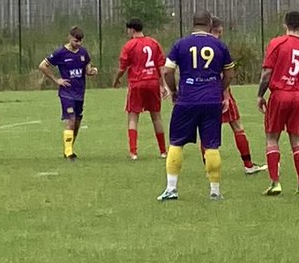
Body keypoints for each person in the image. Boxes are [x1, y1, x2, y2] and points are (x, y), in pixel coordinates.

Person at [158, 11, 235, 202]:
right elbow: (230, 74)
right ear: (209, 24)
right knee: (211, 145)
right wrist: (220, 89)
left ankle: (171, 189)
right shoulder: (219, 45)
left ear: (193, 24)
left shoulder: (180, 44)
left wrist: (174, 90)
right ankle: (215, 191)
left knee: (176, 142)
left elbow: (167, 71)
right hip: (211, 101)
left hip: (187, 99)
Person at [257, 11, 299, 196]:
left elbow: (267, 74)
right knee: (297, 141)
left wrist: (260, 95)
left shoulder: (276, 44)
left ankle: (275, 183)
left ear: (285, 24)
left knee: (271, 138)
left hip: (279, 95)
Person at [211, 16, 264, 175]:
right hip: (220, 91)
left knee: (208, 132)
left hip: (203, 93)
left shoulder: (198, 45)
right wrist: (225, 95)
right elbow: (224, 73)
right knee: (237, 127)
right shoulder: (219, 46)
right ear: (218, 30)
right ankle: (248, 165)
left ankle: (209, 168)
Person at [39, 26, 97, 161]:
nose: (78, 44)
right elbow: (43, 65)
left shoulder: (83, 53)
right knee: (70, 120)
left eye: (80, 41)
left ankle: (69, 148)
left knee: (77, 122)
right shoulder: (60, 53)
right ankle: (69, 152)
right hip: (67, 93)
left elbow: (87, 70)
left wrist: (92, 71)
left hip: (80, 93)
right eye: (76, 41)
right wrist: (56, 80)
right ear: (70, 38)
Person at [113, 18, 167, 161]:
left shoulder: (129, 45)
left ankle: (133, 152)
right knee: (156, 116)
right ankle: (163, 151)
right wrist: (164, 84)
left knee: (133, 117)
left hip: (137, 83)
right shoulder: (154, 43)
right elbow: (160, 66)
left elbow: (122, 67)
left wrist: (117, 79)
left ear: (131, 29)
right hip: (153, 82)